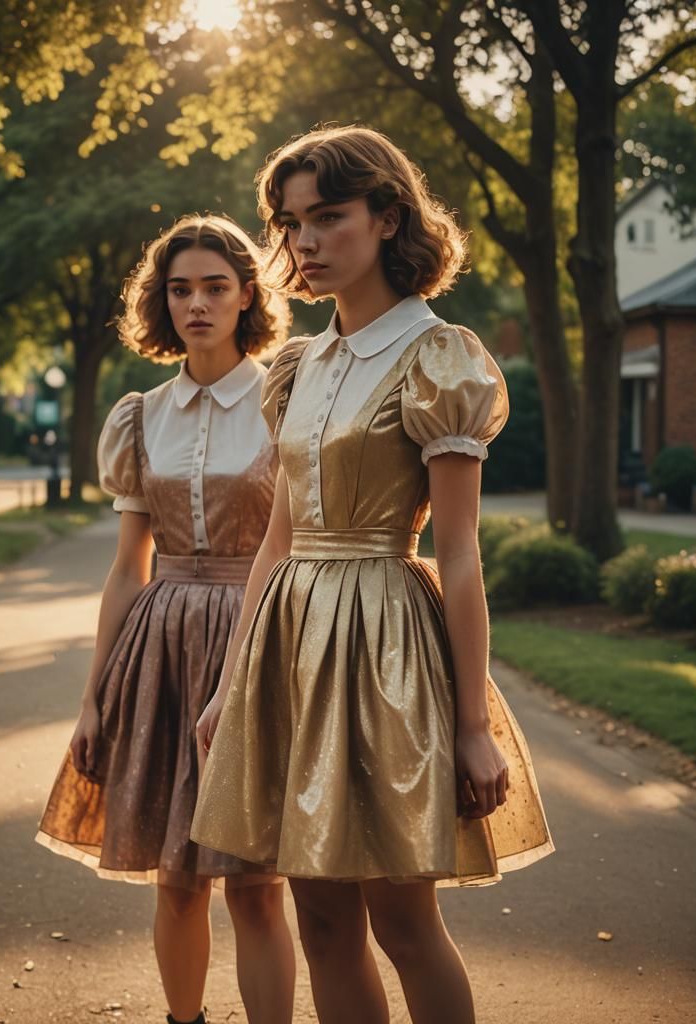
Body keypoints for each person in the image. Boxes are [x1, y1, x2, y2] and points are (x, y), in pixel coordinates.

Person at [191, 127, 554, 1023]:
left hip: (386, 645)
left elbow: (458, 552)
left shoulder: (439, 357)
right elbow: (277, 541)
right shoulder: (298, 367)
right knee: (319, 919)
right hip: (290, 646)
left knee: (403, 920)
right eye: (290, 224)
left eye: (328, 217)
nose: (303, 242)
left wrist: (472, 725)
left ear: (389, 218)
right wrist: (231, 686)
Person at [36, 214, 296, 1024]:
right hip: (163, 647)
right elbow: (127, 568)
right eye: (180, 290)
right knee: (177, 882)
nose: (197, 305)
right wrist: (92, 699)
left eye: (215, 287)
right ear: (163, 302)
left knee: (255, 886)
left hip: (258, 638)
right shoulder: (141, 415)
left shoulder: (286, 398)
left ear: (247, 295)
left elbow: (295, 545)